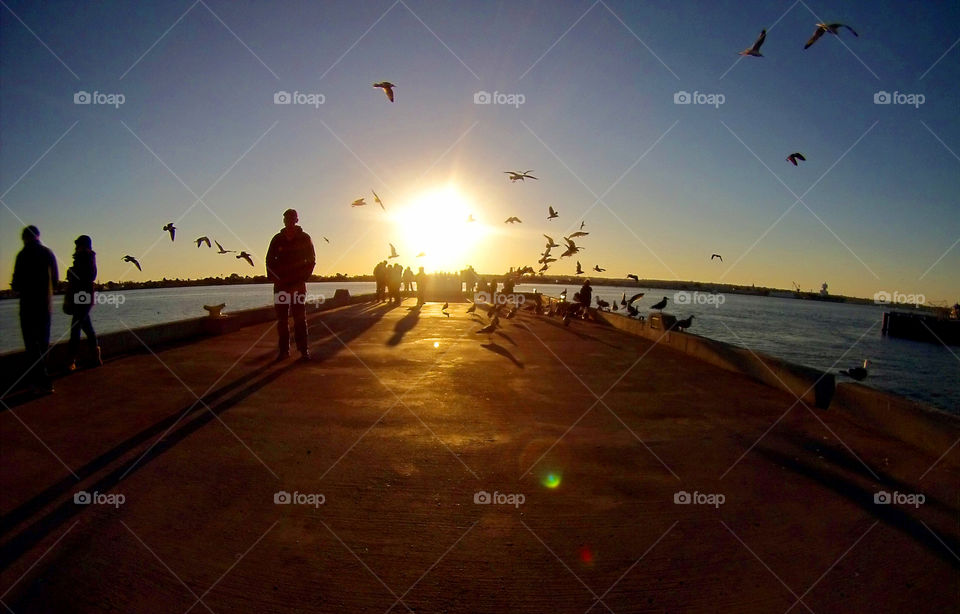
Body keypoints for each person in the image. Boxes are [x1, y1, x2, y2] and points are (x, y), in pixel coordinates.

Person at [10, 226, 58, 394]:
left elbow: (16, 284)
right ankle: (43, 380)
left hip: (28, 306)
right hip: (45, 306)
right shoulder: (48, 253)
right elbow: (56, 279)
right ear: (38, 236)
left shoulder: (22, 255)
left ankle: (41, 381)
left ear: (24, 238)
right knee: (43, 343)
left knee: (32, 345)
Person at [266, 209, 316, 360]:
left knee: (300, 318)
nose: (288, 221)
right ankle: (283, 351)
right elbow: (269, 261)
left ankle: (303, 350)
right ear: (283, 220)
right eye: (286, 218)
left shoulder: (305, 238)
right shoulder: (277, 239)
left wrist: (302, 279)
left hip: (298, 285)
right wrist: (276, 279)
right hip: (281, 286)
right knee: (282, 320)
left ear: (296, 220)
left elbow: (311, 261)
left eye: (291, 218)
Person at [66, 235, 101, 371]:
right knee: (86, 326)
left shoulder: (85, 257)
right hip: (84, 296)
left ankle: (71, 359)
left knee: (76, 328)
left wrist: (71, 273)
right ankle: (95, 356)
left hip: (82, 297)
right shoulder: (88, 257)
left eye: (78, 245)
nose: (76, 247)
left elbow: (87, 276)